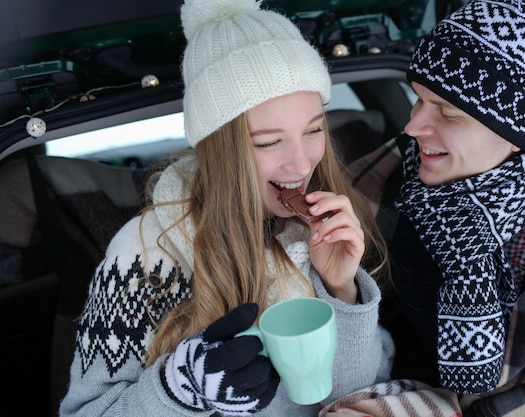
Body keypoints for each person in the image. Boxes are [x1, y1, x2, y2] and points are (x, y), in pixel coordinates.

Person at [59, 0, 394, 415]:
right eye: (268, 142)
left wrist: (342, 290)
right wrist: (178, 389)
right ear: (219, 149)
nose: (302, 163)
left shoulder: (322, 226)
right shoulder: (144, 254)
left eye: (312, 130)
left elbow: (359, 394)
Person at [344, 0, 525, 415]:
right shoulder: (400, 162)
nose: (413, 127)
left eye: (448, 113)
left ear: (516, 134)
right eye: (418, 99)